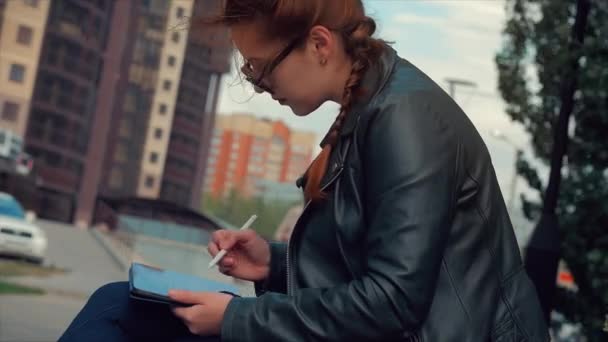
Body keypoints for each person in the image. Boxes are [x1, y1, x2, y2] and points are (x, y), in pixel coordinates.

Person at [59, 0, 550, 341]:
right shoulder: (371, 107)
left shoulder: (405, 119)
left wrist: (238, 320)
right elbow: (374, 267)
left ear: (319, 44)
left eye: (260, 67)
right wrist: (273, 264)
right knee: (118, 305)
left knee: (120, 313)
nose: (258, 85)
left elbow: (394, 300)